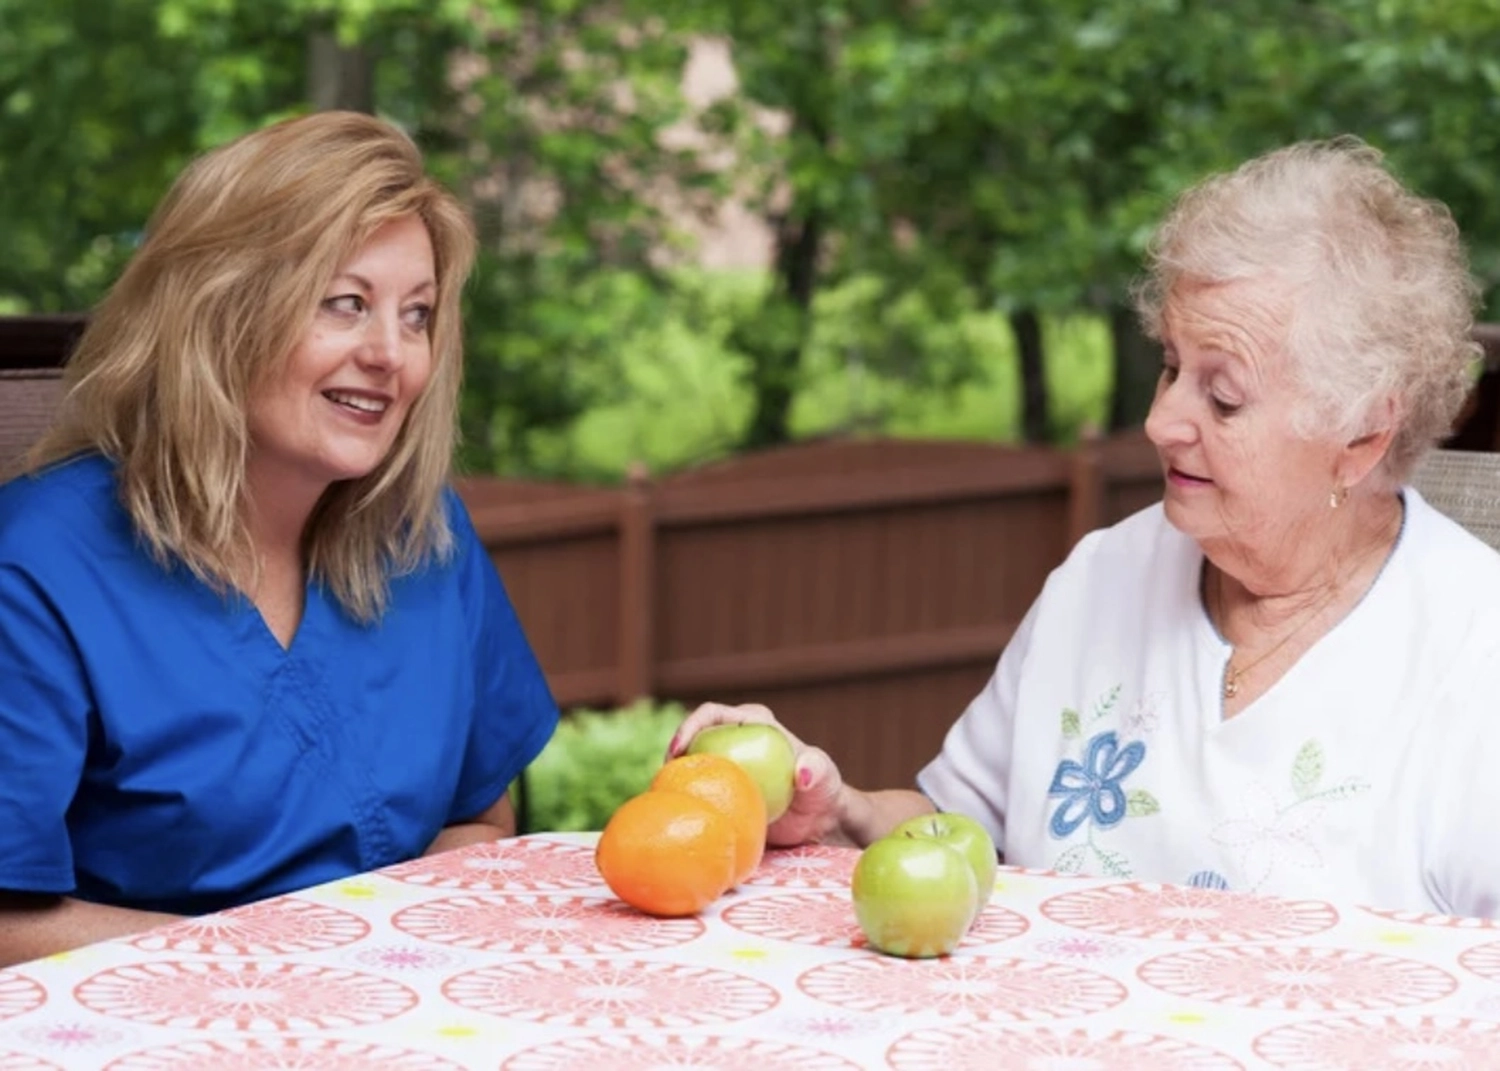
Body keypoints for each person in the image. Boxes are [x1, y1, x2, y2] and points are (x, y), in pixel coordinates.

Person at [672, 137, 1500, 919]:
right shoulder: (1102, 577)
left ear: (1362, 435)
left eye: (1223, 397)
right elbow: (960, 833)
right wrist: (838, 809)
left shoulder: (1474, 653)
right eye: (1170, 367)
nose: (1161, 421)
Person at [0, 112, 559, 965]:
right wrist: (291, 963)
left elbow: (478, 814)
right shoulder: (35, 566)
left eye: (417, 315)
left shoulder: (425, 533)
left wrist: (393, 952)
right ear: (220, 309)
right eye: (346, 303)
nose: (392, 353)